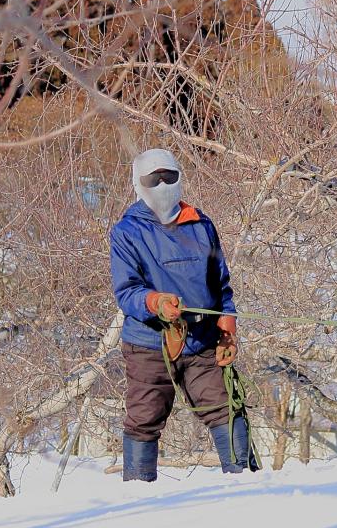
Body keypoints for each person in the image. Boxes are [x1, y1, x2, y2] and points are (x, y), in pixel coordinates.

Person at [110, 147, 258, 481]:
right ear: (138, 183)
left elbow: (221, 284)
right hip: (150, 342)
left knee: (227, 409)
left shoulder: (201, 224)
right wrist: (156, 302)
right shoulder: (127, 231)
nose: (162, 184)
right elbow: (126, 290)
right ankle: (138, 495)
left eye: (169, 176)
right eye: (154, 178)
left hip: (203, 340)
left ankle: (245, 484)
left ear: (179, 178)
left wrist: (227, 326)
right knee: (144, 418)